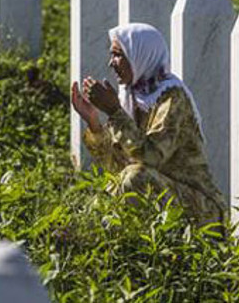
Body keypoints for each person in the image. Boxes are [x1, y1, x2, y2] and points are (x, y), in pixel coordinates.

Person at [70, 22, 225, 226]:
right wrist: (94, 122)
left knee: (136, 177)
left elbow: (151, 157)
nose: (111, 63)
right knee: (116, 185)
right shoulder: (132, 98)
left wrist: (114, 112)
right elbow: (116, 166)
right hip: (165, 203)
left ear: (141, 55)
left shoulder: (172, 97)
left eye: (118, 55)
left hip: (202, 210)